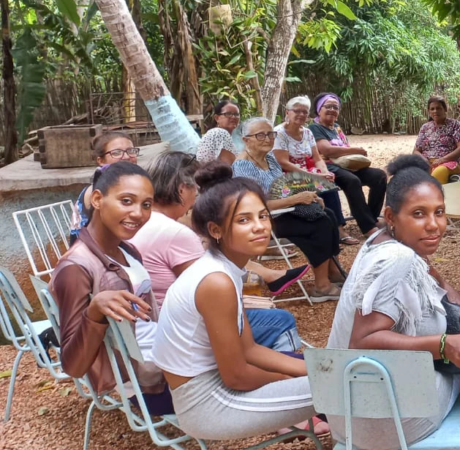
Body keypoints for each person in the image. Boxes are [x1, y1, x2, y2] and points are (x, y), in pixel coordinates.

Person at [327, 155, 460, 450]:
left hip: (347, 415)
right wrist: (445, 345)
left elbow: (444, 292)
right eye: (418, 214)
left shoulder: (379, 243)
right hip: (388, 421)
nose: (434, 225)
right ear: (391, 217)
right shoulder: (397, 258)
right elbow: (363, 340)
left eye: (439, 212)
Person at [152, 164, 321, 441]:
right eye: (243, 220)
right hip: (208, 404)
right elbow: (237, 376)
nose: (259, 227)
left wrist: (314, 369)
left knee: (338, 378)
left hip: (215, 387)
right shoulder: (216, 281)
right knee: (347, 387)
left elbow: (249, 349)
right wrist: (288, 380)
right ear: (215, 230)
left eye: (263, 216)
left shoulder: (225, 269)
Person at [131, 151, 306, 351]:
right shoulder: (175, 233)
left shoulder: (142, 222)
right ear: (182, 189)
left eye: (262, 216)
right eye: (197, 190)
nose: (197, 197)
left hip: (155, 324)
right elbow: (207, 291)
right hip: (180, 330)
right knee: (281, 320)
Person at [51, 161, 173, 414]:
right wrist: (94, 311)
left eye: (146, 205)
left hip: (168, 360)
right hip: (146, 385)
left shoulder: (127, 250)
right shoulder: (76, 267)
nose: (138, 213)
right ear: (97, 199)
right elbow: (73, 366)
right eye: (126, 201)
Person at [234, 117, 344, 302]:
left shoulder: (270, 158)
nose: (268, 139)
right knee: (320, 223)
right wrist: (297, 199)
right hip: (265, 219)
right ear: (246, 140)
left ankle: (332, 270)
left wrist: (307, 194)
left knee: (329, 214)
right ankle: (321, 286)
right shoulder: (243, 166)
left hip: (284, 211)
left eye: (271, 134)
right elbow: (254, 206)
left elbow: (283, 189)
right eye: (260, 135)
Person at [274, 96, 354, 244]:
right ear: (287, 112)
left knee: (328, 183)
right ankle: (332, 230)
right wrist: (313, 176)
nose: (301, 114)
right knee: (324, 187)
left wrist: (324, 172)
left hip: (307, 172)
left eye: (305, 112)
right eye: (297, 111)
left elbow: (317, 158)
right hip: (286, 176)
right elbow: (283, 163)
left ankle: (336, 228)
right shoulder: (279, 133)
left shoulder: (307, 132)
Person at [309, 92, 388, 236]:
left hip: (346, 165)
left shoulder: (336, 127)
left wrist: (343, 152)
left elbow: (340, 150)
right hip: (328, 167)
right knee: (352, 180)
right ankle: (368, 227)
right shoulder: (315, 128)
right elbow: (327, 150)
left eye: (336, 107)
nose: (332, 110)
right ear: (319, 110)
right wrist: (355, 150)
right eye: (328, 106)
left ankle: (371, 218)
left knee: (379, 176)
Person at [70, 131, 140, 243]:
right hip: (95, 251)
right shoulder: (100, 190)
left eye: (131, 151)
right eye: (116, 153)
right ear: (101, 161)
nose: (126, 157)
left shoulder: (129, 185)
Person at [413, 96, 460, 184]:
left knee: (439, 172)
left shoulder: (455, 125)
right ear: (429, 111)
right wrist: (424, 161)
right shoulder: (425, 127)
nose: (435, 111)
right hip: (428, 163)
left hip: (450, 162)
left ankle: (436, 193)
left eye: (438, 108)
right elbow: (416, 151)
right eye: (432, 109)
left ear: (445, 109)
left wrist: (442, 160)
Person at [196, 99, 241, 164]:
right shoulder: (219, 133)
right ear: (217, 118)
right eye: (228, 114)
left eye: (236, 114)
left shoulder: (235, 137)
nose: (233, 117)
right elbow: (231, 166)